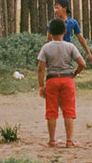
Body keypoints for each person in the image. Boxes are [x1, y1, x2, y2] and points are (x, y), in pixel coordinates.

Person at [37, 17, 86, 147]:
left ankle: (52, 140)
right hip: (67, 79)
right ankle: (69, 140)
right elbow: (82, 63)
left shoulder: (46, 48)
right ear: (65, 31)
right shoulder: (70, 46)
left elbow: (40, 68)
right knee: (68, 110)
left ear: (50, 33)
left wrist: (41, 86)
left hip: (52, 80)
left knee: (51, 110)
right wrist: (74, 73)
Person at [49, 0, 92, 66]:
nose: (55, 10)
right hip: (55, 53)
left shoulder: (72, 22)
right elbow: (49, 39)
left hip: (67, 53)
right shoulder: (52, 23)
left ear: (64, 9)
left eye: (57, 8)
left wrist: (88, 53)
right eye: (54, 8)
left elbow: (81, 39)